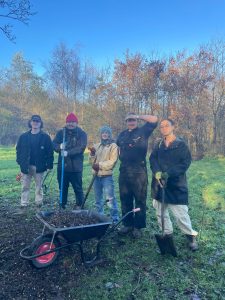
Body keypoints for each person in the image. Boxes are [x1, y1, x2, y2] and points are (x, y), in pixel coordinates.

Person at [149, 118, 198, 251]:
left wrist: (169, 173)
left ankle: (190, 236)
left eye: (166, 126)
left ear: (173, 127)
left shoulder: (180, 145)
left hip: (176, 185)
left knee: (181, 214)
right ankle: (167, 234)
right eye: (161, 126)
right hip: (159, 184)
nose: (164, 128)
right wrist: (157, 172)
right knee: (160, 212)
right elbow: (152, 158)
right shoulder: (158, 144)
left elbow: (185, 162)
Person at [117, 112, 158, 238]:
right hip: (124, 170)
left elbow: (155, 119)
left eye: (133, 120)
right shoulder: (122, 134)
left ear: (136, 121)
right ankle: (127, 224)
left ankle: (138, 227)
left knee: (139, 200)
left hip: (139, 171)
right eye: (129, 120)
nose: (131, 122)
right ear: (126, 122)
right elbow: (117, 146)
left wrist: (138, 116)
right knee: (125, 198)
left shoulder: (143, 131)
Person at [16, 115, 54, 212]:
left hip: (39, 166)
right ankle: (24, 204)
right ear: (30, 122)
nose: (35, 123)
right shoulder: (23, 136)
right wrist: (20, 162)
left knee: (39, 186)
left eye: (37, 121)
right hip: (26, 166)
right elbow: (18, 150)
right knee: (25, 186)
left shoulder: (45, 137)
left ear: (40, 123)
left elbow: (50, 152)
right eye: (33, 121)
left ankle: (38, 204)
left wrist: (49, 165)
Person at [53, 113, 87, 209]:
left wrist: (68, 152)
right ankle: (62, 204)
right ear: (66, 123)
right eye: (68, 122)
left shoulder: (82, 134)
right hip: (62, 166)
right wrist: (59, 147)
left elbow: (81, 147)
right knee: (62, 187)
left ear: (76, 123)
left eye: (72, 122)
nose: (70, 124)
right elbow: (54, 143)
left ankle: (79, 205)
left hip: (75, 167)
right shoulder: (61, 133)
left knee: (78, 188)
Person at [89, 126, 119, 222]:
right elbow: (92, 163)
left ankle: (114, 219)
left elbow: (112, 162)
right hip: (96, 177)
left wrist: (99, 165)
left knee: (110, 199)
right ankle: (99, 219)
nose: (105, 134)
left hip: (107, 177)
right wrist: (92, 155)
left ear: (109, 134)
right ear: (101, 134)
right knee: (98, 200)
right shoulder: (97, 145)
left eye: (107, 133)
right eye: (103, 133)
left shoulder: (113, 146)